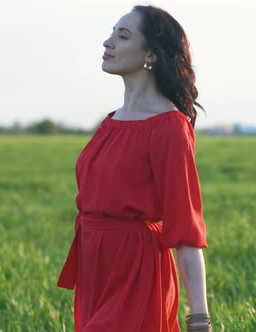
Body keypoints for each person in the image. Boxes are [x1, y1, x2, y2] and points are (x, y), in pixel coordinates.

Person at [56, 5, 211, 331]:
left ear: (151, 55)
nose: (107, 42)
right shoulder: (111, 121)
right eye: (112, 32)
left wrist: (199, 318)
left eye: (122, 35)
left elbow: (185, 228)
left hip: (136, 271)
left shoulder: (169, 127)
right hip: (95, 264)